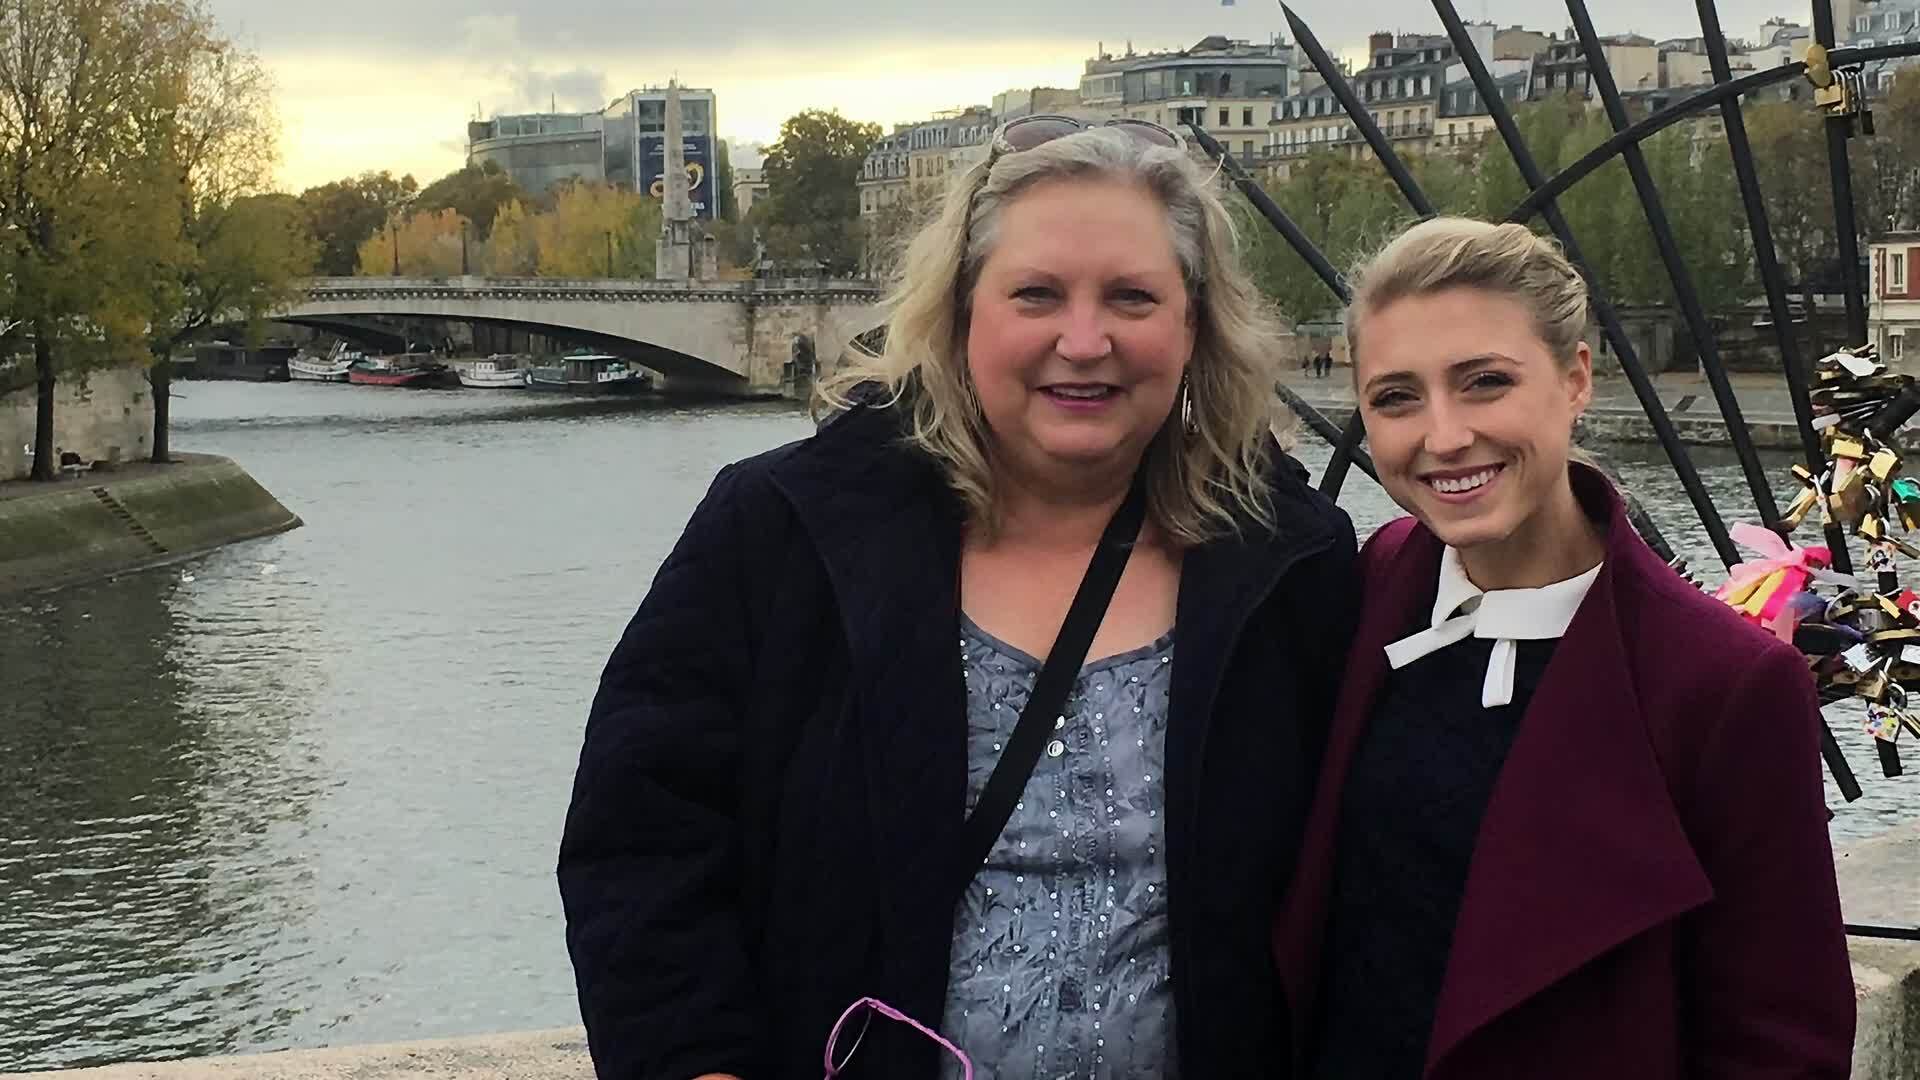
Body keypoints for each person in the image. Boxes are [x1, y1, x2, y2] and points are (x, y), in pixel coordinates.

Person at [560, 119, 1358, 1080]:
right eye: (1037, 294)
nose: (1085, 340)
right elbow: (642, 842)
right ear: (961, 312)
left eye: (1133, 297)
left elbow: (1366, 888)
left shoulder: (1292, 562)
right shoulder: (782, 531)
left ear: (1192, 327)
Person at [1272, 217, 1855, 1079]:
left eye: (1484, 382)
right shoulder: (1382, 578)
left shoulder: (1724, 683)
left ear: (1577, 377)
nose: (1443, 435)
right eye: (1396, 398)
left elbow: (1779, 1041)